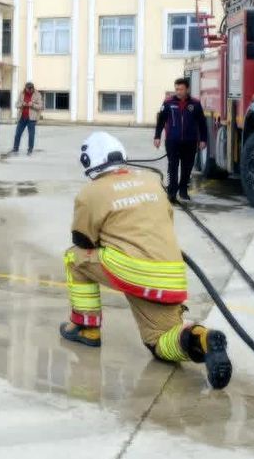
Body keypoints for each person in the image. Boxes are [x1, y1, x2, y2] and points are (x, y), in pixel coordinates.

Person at [61, 132, 232, 390]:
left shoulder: (91, 193)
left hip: (131, 269)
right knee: (160, 342)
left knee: (74, 258)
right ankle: (200, 338)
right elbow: (167, 220)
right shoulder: (152, 182)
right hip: (170, 273)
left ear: (88, 161)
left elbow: (83, 240)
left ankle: (87, 329)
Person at [154, 77, 209, 204]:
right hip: (172, 141)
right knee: (172, 166)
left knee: (187, 168)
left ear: (187, 89)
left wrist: (203, 139)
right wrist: (157, 136)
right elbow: (161, 120)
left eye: (181, 89)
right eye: (176, 89)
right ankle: (172, 192)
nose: (178, 91)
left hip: (190, 141)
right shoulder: (168, 103)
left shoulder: (195, 104)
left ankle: (183, 191)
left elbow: (202, 123)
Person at [11, 82, 43, 156]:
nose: (29, 91)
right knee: (18, 133)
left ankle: (30, 149)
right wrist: (22, 104)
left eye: (31, 89)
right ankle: (15, 148)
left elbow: (40, 106)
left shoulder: (37, 94)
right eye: (28, 89)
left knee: (31, 135)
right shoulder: (22, 93)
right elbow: (16, 104)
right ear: (25, 88)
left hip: (32, 118)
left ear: (33, 88)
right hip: (22, 117)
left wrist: (32, 105)